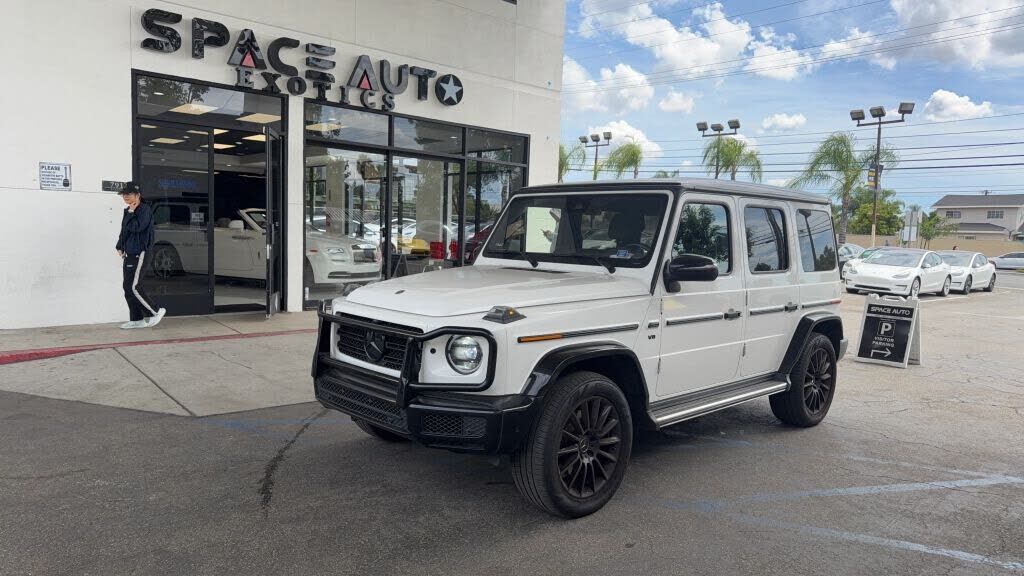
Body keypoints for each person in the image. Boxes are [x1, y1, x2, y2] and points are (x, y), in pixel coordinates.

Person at [115, 182, 165, 329]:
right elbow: (124, 230)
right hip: (129, 252)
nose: (125, 197)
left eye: (128, 194)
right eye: (124, 195)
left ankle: (155, 311)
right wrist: (119, 246)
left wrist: (131, 213)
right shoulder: (129, 210)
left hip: (140, 252)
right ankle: (137, 319)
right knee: (127, 287)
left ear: (138, 195)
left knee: (134, 286)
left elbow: (137, 227)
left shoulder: (144, 210)